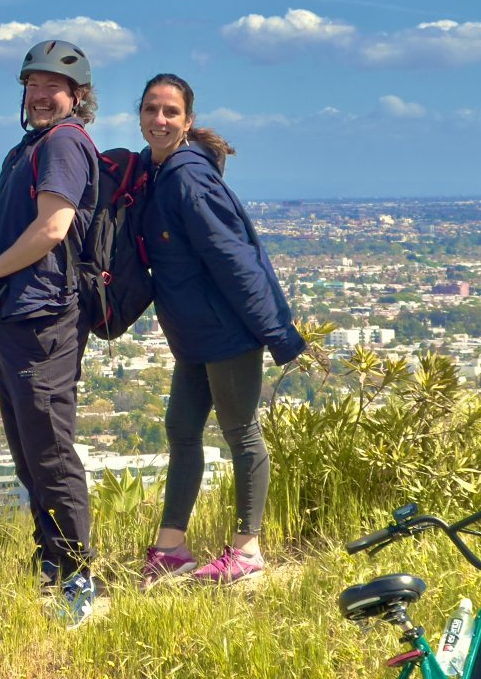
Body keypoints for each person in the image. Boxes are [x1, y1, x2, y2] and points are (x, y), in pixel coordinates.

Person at [135, 73, 305, 588]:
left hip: (226, 333)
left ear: (186, 121)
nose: (159, 120)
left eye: (170, 112)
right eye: (151, 110)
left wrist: (278, 331)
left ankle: (247, 552)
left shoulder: (187, 178)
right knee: (182, 431)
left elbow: (236, 259)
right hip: (192, 335)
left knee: (241, 434)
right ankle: (171, 548)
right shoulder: (157, 171)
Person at [0, 40, 99, 627]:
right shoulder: (31, 146)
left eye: (52, 88)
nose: (40, 96)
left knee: (49, 449)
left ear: (76, 97)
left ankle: (79, 575)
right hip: (20, 314)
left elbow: (52, 228)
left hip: (45, 320)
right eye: (32, 86)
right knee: (27, 450)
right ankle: (52, 561)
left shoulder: (63, 143)